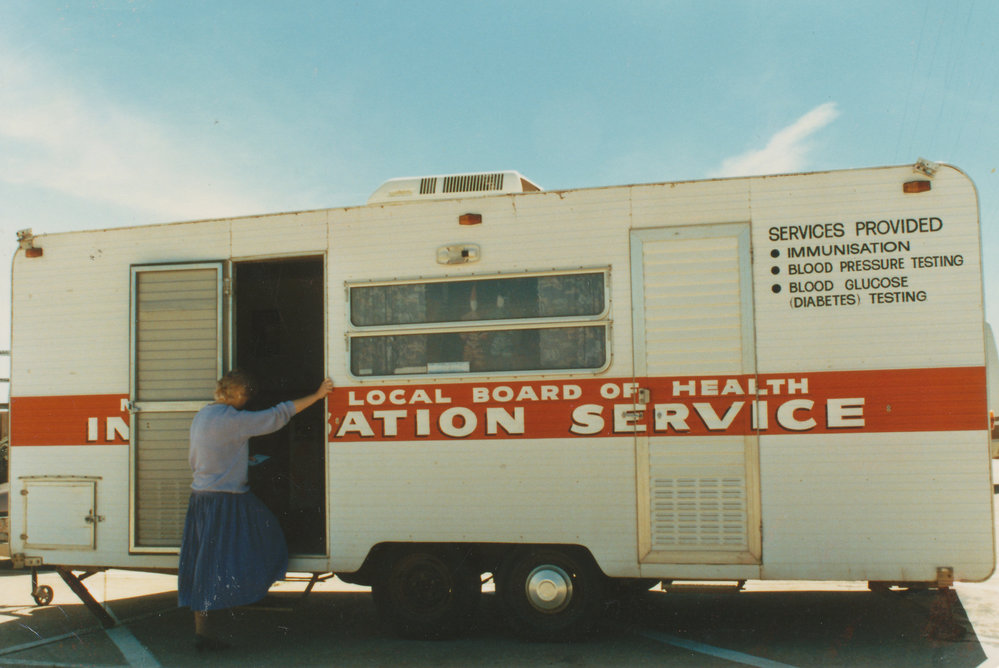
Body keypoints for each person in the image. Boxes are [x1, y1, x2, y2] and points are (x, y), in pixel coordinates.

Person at [178, 369, 334, 651]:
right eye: (247, 395)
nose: (248, 401)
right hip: (226, 499)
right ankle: (245, 597)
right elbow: (278, 415)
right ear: (237, 393)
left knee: (205, 564)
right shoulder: (233, 420)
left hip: (202, 497)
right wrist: (318, 395)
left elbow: (202, 454)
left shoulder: (204, 415)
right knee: (266, 536)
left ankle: (206, 629)